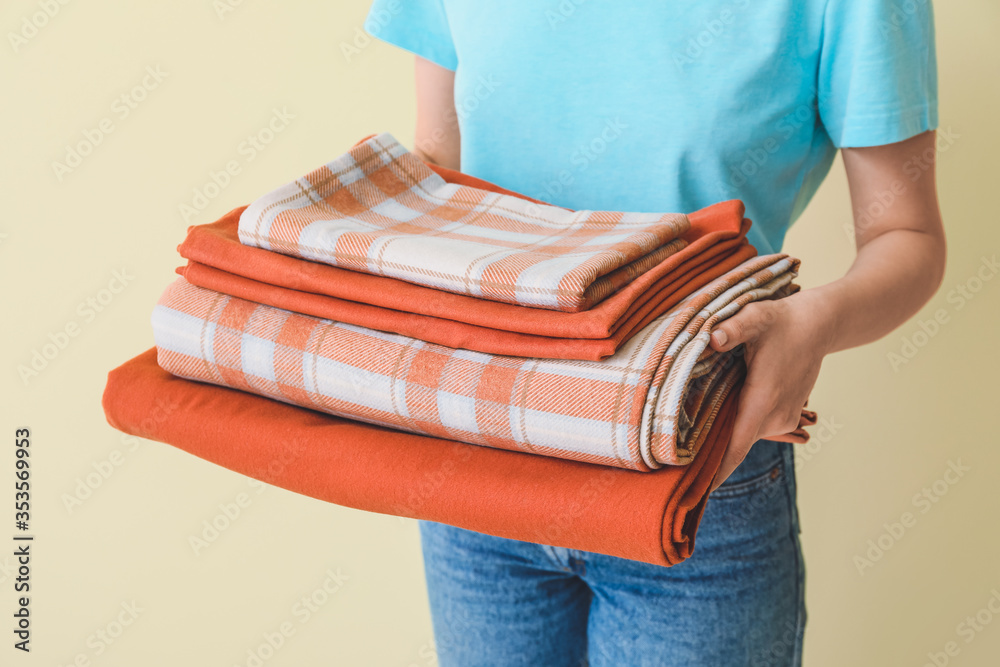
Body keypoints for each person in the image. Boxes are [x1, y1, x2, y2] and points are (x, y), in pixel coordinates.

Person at [364, 1, 945, 665]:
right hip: (473, 456)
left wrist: (809, 323)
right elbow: (439, 171)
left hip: (697, 464)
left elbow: (907, 234)